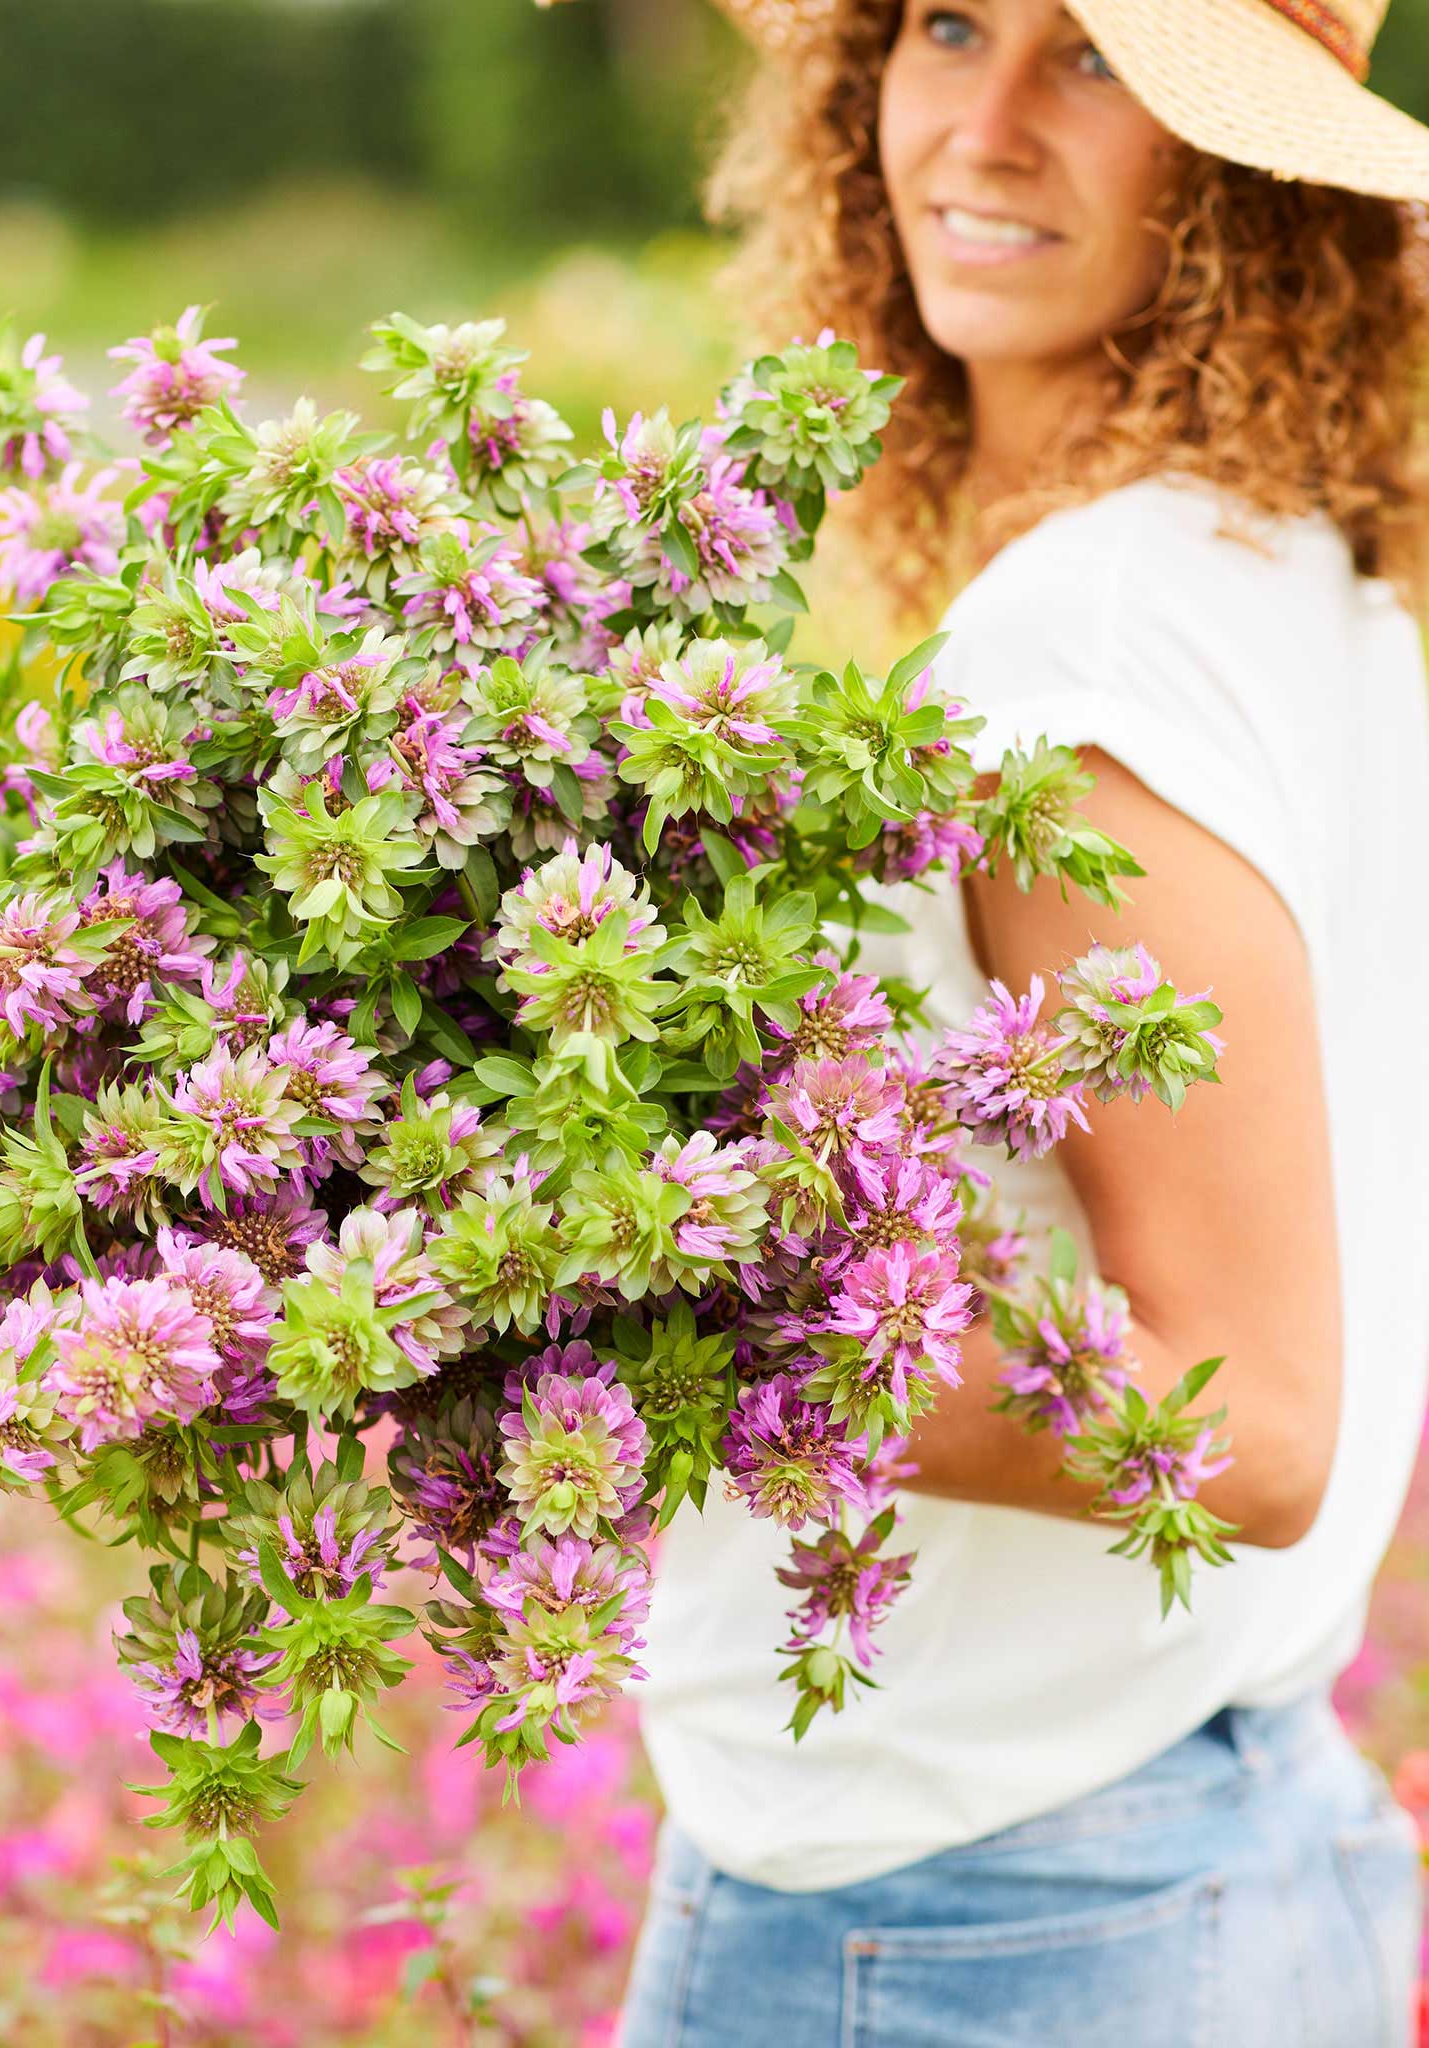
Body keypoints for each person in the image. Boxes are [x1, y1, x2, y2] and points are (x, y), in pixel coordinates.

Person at [617, 3, 1429, 2043]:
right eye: (948, 25)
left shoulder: (1089, 658)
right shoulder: (1281, 577)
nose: (980, 128)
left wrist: (623, 1324)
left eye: (1094, 57)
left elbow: (1247, 1426)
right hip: (1185, 1846)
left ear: (1247, 174)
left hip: (971, 1925)